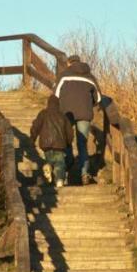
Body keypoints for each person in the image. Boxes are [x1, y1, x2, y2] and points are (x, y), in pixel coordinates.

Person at [54, 55, 101, 184]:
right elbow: (99, 99)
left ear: (69, 63)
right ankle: (85, 173)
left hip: (67, 113)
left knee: (67, 141)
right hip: (85, 113)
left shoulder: (63, 76)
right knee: (82, 144)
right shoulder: (90, 77)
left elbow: (56, 96)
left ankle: (68, 166)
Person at [29, 95, 72, 187]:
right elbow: (69, 132)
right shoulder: (63, 116)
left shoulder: (43, 113)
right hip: (60, 144)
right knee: (60, 163)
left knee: (49, 159)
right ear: (58, 104)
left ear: (48, 103)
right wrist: (68, 142)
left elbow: (35, 127)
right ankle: (59, 179)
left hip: (46, 144)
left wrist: (32, 138)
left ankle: (48, 166)